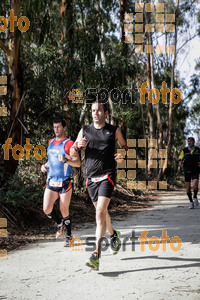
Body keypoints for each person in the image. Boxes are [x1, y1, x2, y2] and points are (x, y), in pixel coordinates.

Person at [72, 101, 128, 270]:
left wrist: (122, 155)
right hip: (91, 179)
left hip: (107, 176)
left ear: (105, 112)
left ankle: (96, 254)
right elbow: (73, 152)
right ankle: (113, 234)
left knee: (100, 213)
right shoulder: (85, 130)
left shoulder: (113, 130)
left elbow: (124, 147)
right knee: (102, 213)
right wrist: (77, 146)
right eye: (93, 110)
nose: (96, 113)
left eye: (99, 110)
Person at [41, 119, 81, 246]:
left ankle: (69, 237)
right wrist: (45, 166)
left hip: (64, 181)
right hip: (51, 181)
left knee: (64, 209)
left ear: (64, 128)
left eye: (58, 127)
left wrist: (65, 160)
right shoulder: (50, 142)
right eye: (54, 127)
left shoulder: (69, 144)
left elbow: (77, 163)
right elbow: (51, 160)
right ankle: (60, 223)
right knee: (47, 209)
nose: (56, 129)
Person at [179, 137, 200, 209]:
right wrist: (180, 161)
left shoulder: (198, 150)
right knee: (187, 188)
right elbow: (181, 157)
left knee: (195, 185)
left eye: (190, 141)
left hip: (195, 170)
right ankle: (191, 202)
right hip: (187, 170)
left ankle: (195, 197)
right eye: (188, 141)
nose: (189, 142)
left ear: (194, 142)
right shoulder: (184, 150)